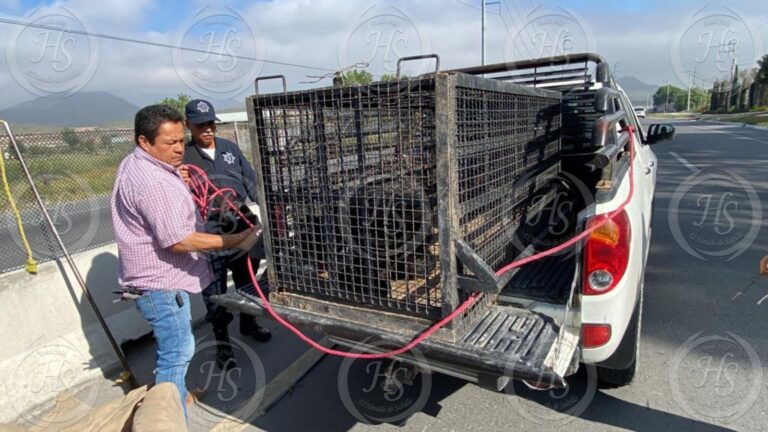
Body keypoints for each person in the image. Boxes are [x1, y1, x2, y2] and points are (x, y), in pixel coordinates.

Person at [110, 104, 260, 415]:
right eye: (171, 143)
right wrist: (237, 239)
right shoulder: (153, 181)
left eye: (180, 141)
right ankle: (169, 415)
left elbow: (248, 180)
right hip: (160, 284)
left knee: (178, 350)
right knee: (176, 354)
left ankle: (172, 399)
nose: (179, 148)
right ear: (144, 142)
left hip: (160, 277)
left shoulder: (141, 165)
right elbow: (178, 241)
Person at [182, 99, 271, 371]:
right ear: (189, 126)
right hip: (212, 235)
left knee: (247, 283)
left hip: (242, 229)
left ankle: (248, 324)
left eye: (210, 123)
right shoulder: (184, 158)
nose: (207, 129)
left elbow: (251, 181)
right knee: (215, 295)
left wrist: (268, 207)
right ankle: (223, 347)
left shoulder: (230, 149)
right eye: (200, 125)